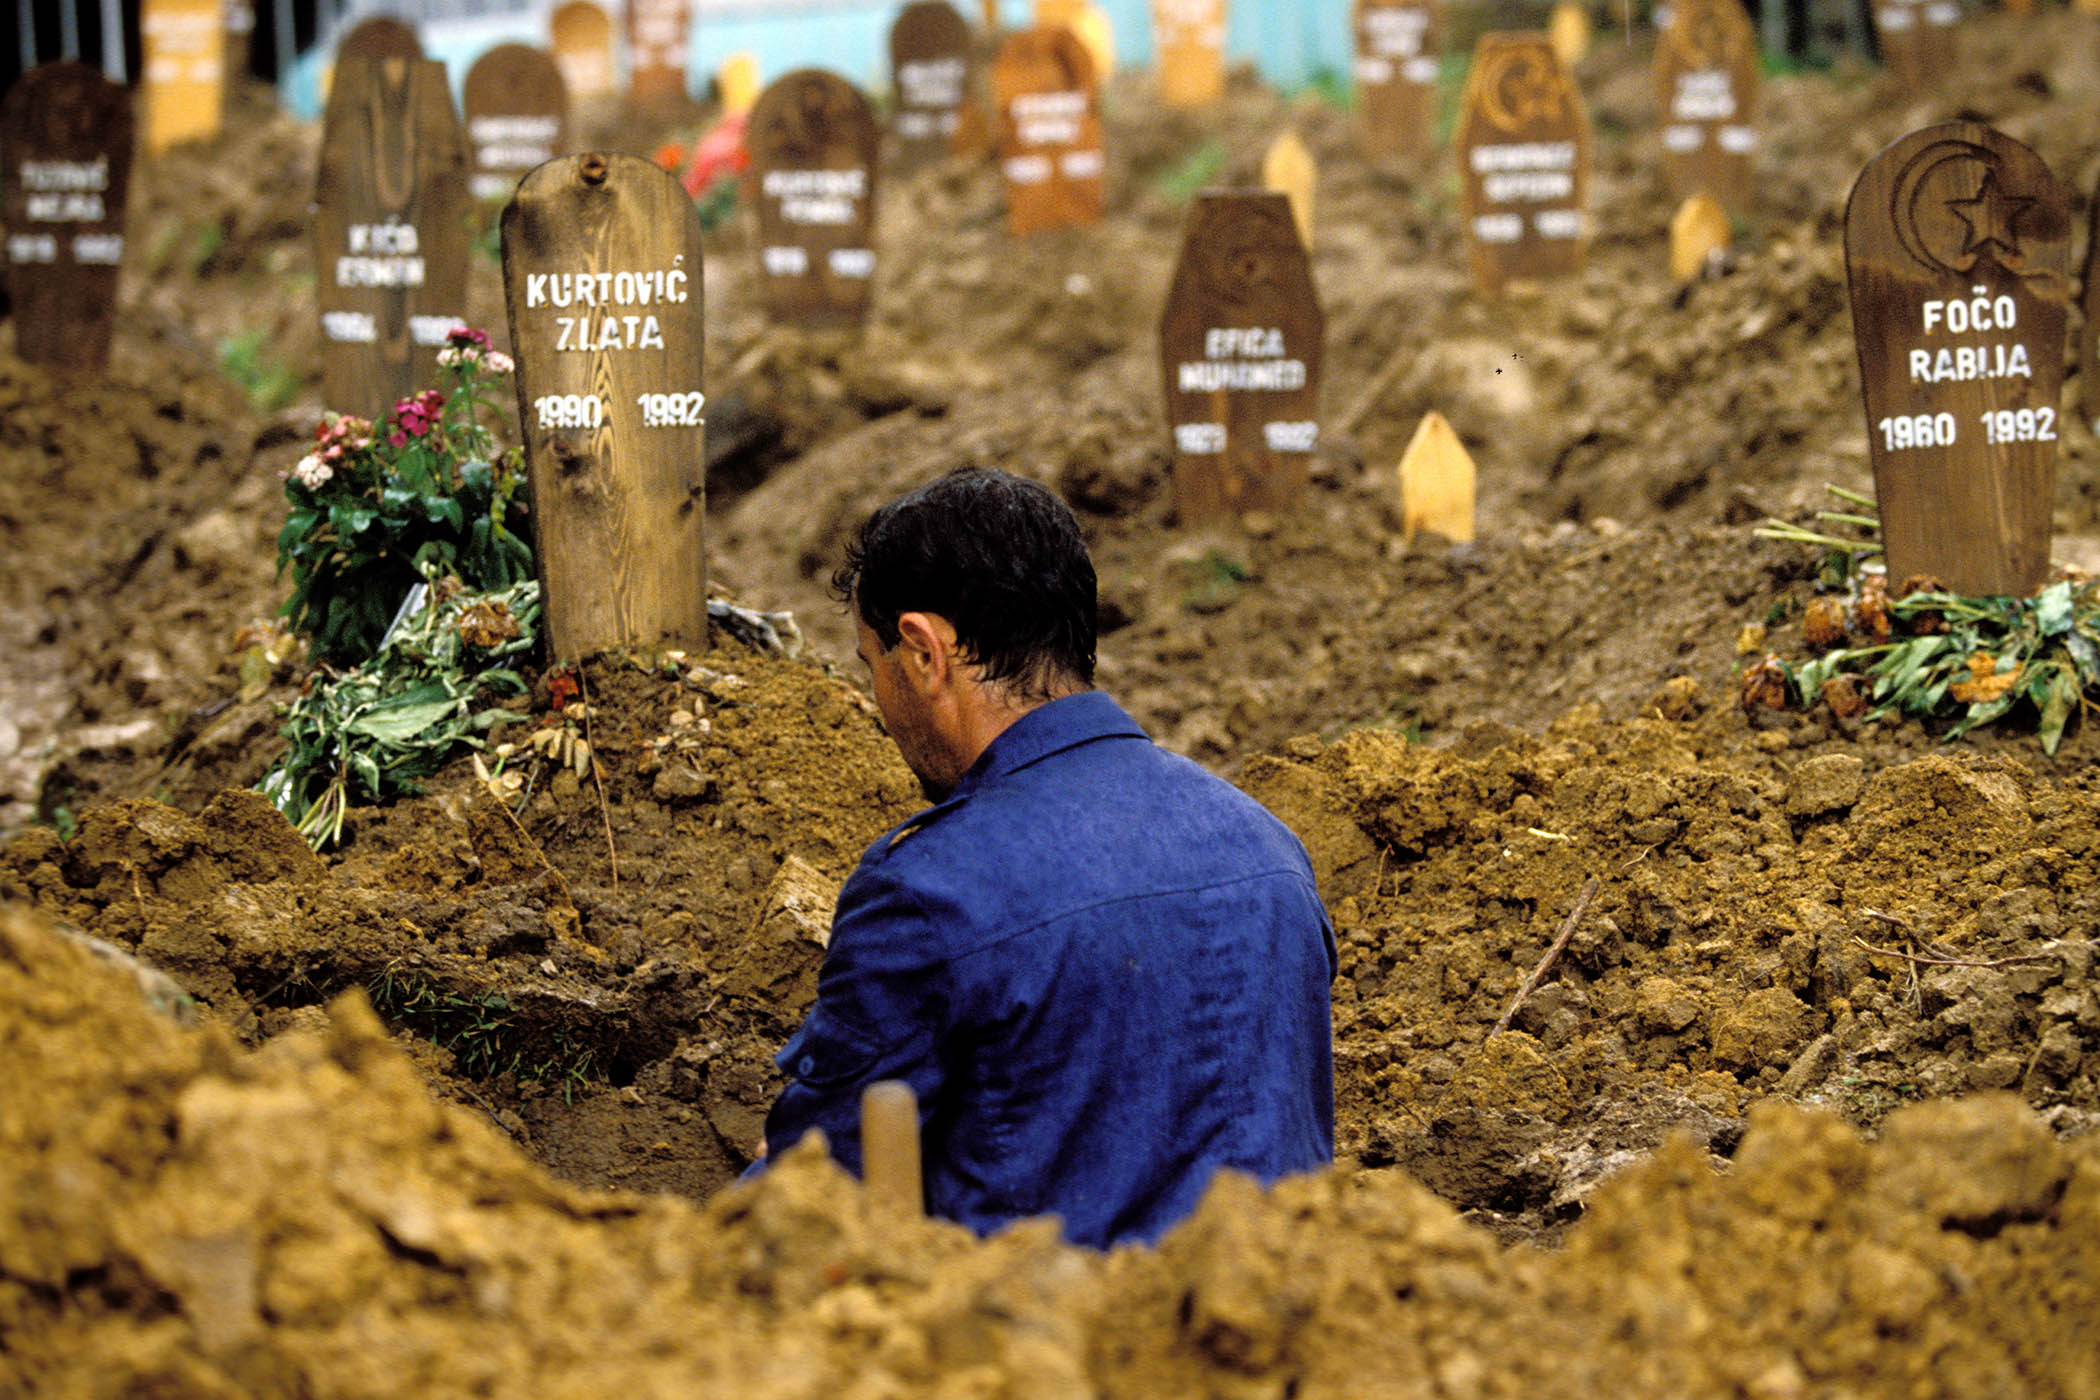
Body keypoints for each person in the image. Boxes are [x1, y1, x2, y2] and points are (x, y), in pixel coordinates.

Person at [758, 467, 1335, 1249]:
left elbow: (814, 1196)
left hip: (1043, 1322)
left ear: (923, 652)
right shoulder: (1269, 847)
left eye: (873, 666)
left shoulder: (928, 891)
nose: (880, 706)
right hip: (1287, 1313)